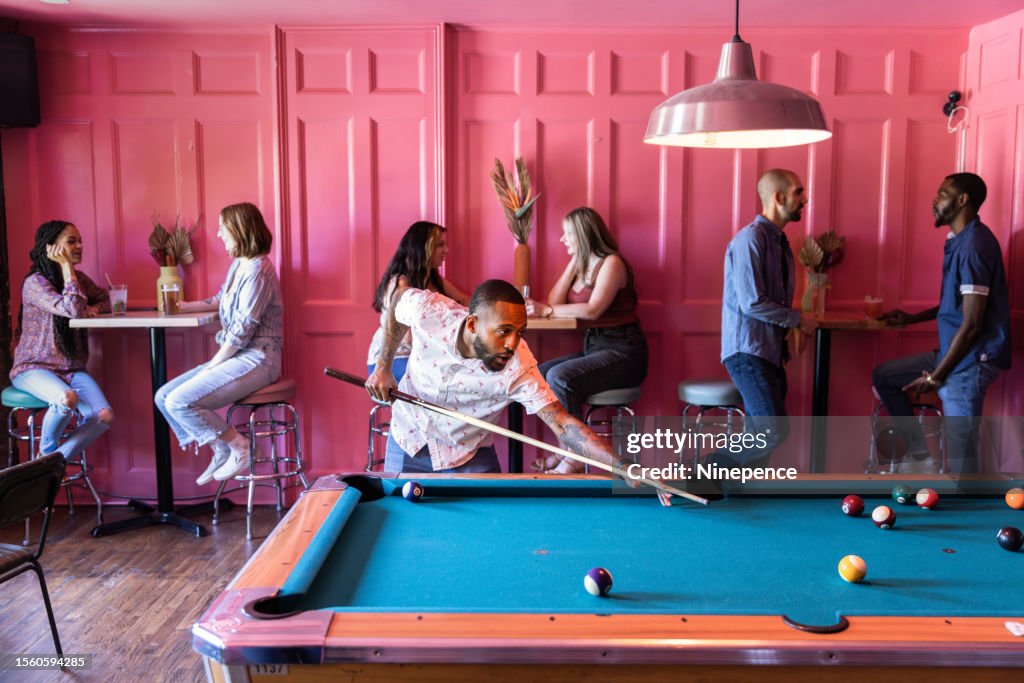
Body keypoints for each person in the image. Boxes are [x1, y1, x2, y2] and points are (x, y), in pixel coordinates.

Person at [365, 279, 627, 475]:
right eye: (503, 331)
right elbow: (399, 299)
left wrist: (623, 467)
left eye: (520, 332)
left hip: (467, 453)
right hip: (409, 439)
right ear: (472, 325)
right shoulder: (431, 312)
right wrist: (383, 367)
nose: (512, 343)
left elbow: (563, 424)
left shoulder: (518, 367)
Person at [872, 172, 1010, 474]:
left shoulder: (975, 245)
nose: (934, 201)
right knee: (884, 376)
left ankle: (971, 513)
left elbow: (973, 323)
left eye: (941, 193)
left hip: (972, 359)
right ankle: (920, 457)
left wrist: (936, 376)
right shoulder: (960, 240)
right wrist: (912, 318)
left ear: (961, 200)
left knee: (962, 459)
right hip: (954, 353)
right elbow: (959, 306)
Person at [154, 202, 284, 485]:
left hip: (259, 358)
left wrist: (213, 365)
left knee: (179, 401)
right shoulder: (239, 265)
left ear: (239, 231)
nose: (218, 234)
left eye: (223, 229)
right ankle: (219, 448)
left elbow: (241, 330)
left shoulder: (258, 272)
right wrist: (182, 306)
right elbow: (219, 300)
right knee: (163, 396)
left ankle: (240, 447)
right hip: (240, 354)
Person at [708, 169, 814, 468]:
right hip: (748, 351)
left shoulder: (778, 242)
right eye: (798, 192)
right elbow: (752, 302)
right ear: (779, 197)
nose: (804, 199)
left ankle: (732, 493)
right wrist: (797, 319)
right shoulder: (750, 239)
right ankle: (695, 473)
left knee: (759, 437)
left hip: (768, 352)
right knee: (772, 430)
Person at [527, 207, 648, 424]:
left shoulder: (612, 263)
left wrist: (544, 311)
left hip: (624, 351)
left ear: (584, 235)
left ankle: (575, 452)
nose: (563, 239)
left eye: (569, 233)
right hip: (594, 346)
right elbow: (555, 301)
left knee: (559, 377)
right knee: (541, 373)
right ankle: (568, 449)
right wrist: (575, 261)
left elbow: (593, 310)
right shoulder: (583, 266)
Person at [10, 220, 115, 460]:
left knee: (104, 416)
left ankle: (51, 464)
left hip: (71, 368)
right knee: (67, 399)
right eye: (71, 241)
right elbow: (73, 309)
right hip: (34, 368)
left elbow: (108, 300)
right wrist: (67, 268)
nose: (79, 246)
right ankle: (44, 463)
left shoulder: (79, 279)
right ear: (51, 248)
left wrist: (95, 308)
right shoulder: (35, 283)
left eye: (80, 241)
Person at [367, 221, 468, 382]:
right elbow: (408, 339)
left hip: (419, 356)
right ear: (422, 248)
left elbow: (464, 299)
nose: (446, 250)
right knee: (443, 381)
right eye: (440, 245)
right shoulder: (400, 284)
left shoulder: (435, 281)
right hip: (393, 359)